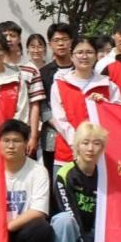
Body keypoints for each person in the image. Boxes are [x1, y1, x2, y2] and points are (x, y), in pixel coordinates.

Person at [49, 35, 121, 172]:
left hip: (100, 156)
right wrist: (77, 143)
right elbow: (59, 120)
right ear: (71, 56)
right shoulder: (59, 84)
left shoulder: (108, 85)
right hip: (67, 154)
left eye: (89, 52)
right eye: (79, 52)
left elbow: (120, 116)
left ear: (96, 56)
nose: (84, 56)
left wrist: (106, 105)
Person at [51, 122, 106, 242]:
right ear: (77, 146)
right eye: (85, 143)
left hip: (95, 238)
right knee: (64, 220)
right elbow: (72, 215)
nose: (90, 149)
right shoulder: (65, 174)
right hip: (71, 237)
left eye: (96, 143)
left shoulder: (106, 175)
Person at [0, 32, 39, 145]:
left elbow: (22, 112)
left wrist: (10, 137)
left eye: (0, 49)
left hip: (9, 140)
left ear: (6, 51)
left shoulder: (16, 78)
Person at [38, 23, 78, 178]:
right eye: (56, 40)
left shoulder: (81, 69)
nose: (61, 44)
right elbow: (43, 105)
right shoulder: (43, 73)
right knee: (54, 179)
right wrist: (61, 126)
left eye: (65, 39)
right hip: (52, 135)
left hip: (80, 133)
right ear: (50, 45)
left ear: (71, 42)